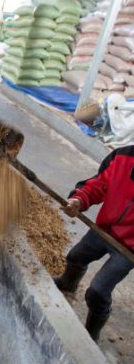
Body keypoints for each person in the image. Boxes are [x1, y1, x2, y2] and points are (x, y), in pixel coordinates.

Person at [54, 145, 134, 342]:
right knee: (76, 256)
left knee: (98, 291)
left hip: (129, 248)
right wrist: (79, 200)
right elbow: (99, 185)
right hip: (104, 229)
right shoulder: (123, 157)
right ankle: (67, 283)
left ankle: (91, 332)